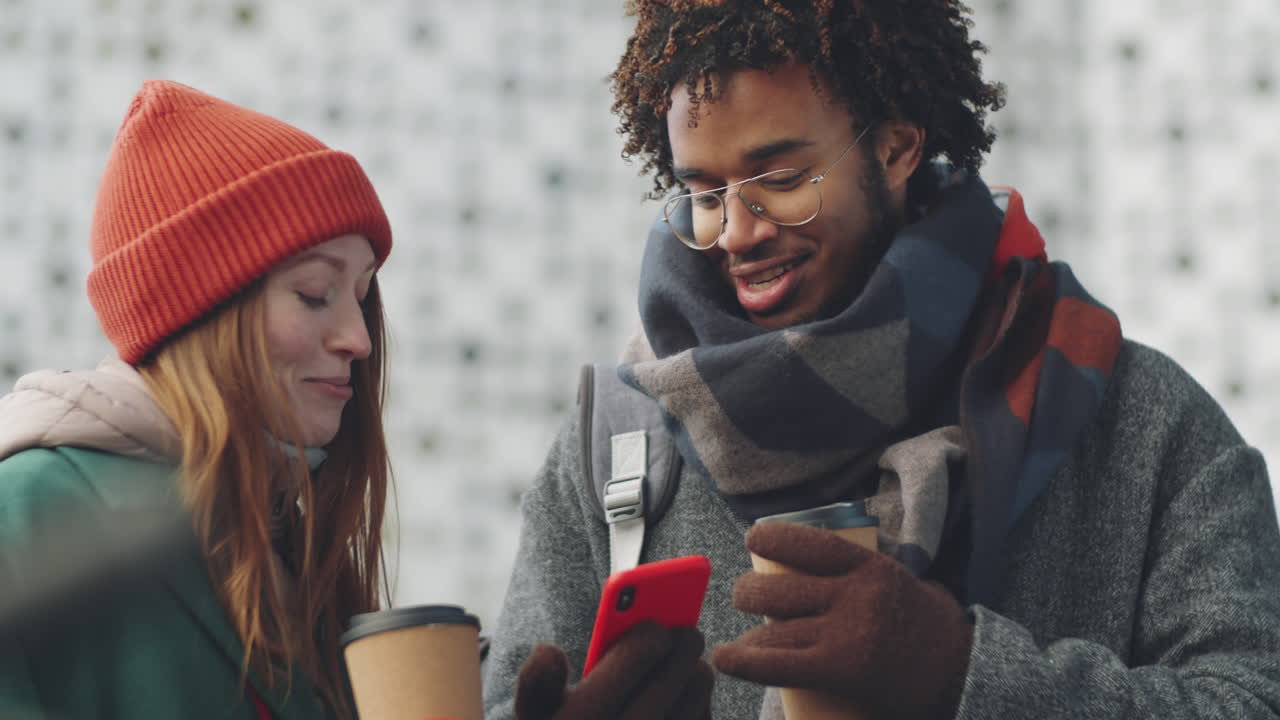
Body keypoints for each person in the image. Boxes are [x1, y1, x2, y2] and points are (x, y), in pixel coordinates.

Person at [482, 1, 1280, 718]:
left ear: (897, 149)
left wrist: (961, 672)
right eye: (706, 192)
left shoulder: (1139, 420)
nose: (737, 232)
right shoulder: (613, 446)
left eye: (783, 179)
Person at [0, 79, 393, 720]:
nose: (358, 339)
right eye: (316, 293)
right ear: (201, 315)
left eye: (362, 295)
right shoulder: (30, 512)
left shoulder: (292, 545)